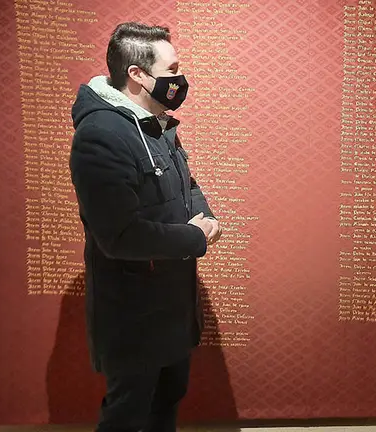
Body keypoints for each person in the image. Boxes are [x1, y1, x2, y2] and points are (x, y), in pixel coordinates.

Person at [69, 22, 222, 432]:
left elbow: (188, 184)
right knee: (127, 416)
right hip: (133, 315)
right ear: (137, 74)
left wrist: (206, 218)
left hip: (171, 306)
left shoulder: (157, 122)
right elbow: (119, 235)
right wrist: (195, 237)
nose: (179, 79)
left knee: (166, 403)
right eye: (172, 70)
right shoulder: (100, 135)